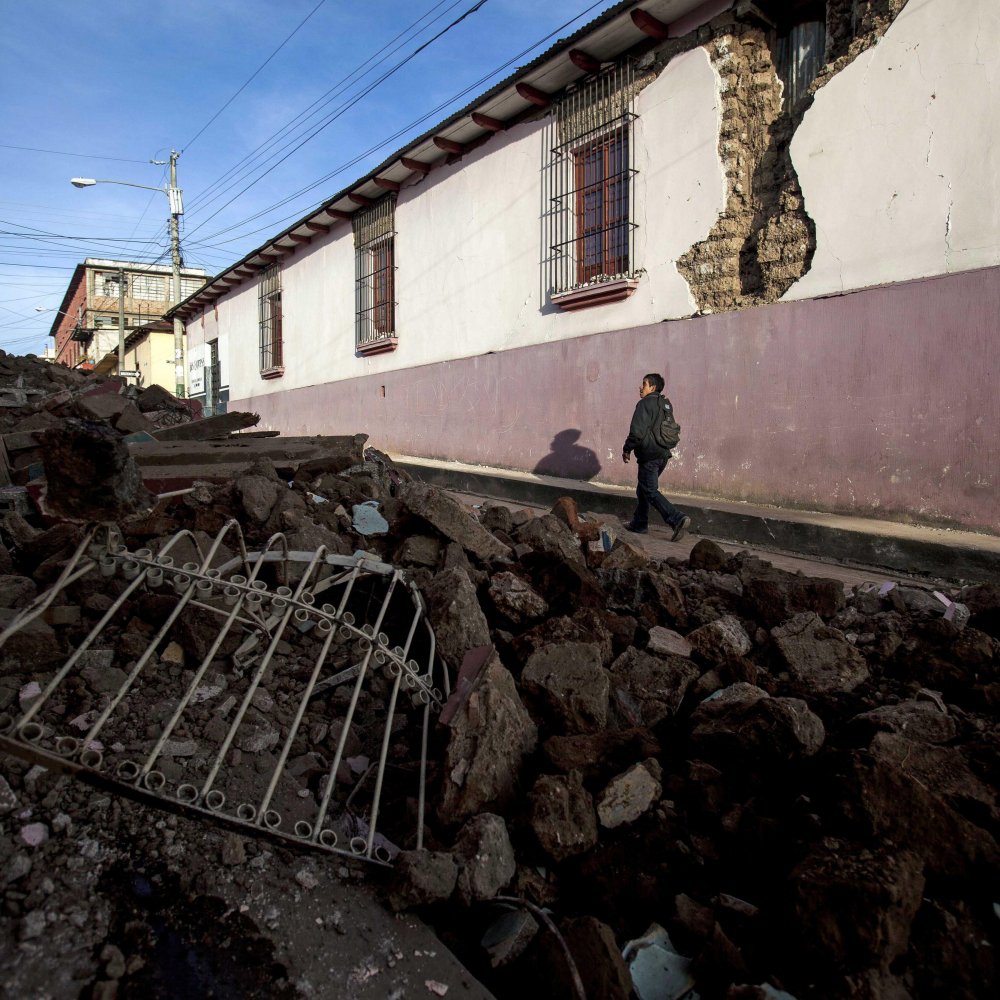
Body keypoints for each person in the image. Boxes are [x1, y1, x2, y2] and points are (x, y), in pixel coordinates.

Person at [621, 373, 691, 540]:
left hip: (650, 455)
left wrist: (627, 449)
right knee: (643, 489)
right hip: (663, 455)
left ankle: (677, 518)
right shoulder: (665, 404)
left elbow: (637, 432)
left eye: (644, 384)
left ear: (652, 387)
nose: (640, 387)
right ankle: (639, 523)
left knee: (650, 490)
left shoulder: (645, 404)